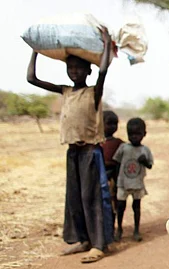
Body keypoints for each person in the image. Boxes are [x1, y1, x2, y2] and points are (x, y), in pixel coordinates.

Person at [26, 26, 113, 263]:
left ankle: (99, 244)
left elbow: (104, 70)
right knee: (74, 198)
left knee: (92, 197)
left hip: (89, 152)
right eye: (70, 68)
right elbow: (31, 78)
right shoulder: (65, 91)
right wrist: (36, 50)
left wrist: (106, 42)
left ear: (87, 70)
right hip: (72, 152)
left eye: (78, 68)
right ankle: (82, 239)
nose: (74, 71)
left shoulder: (93, 92)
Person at [113, 117, 153, 242]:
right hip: (123, 183)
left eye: (137, 134)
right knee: (120, 207)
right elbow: (117, 163)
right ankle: (119, 229)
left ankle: (136, 230)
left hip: (137, 184)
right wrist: (116, 181)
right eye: (131, 134)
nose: (134, 137)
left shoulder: (145, 150)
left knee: (136, 207)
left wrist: (144, 161)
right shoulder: (123, 148)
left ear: (144, 134)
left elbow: (150, 165)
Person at [100, 110, 124, 232]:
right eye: (109, 123)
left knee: (115, 205)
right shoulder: (97, 143)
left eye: (115, 123)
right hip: (101, 179)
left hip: (115, 179)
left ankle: (114, 227)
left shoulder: (119, 143)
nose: (113, 126)